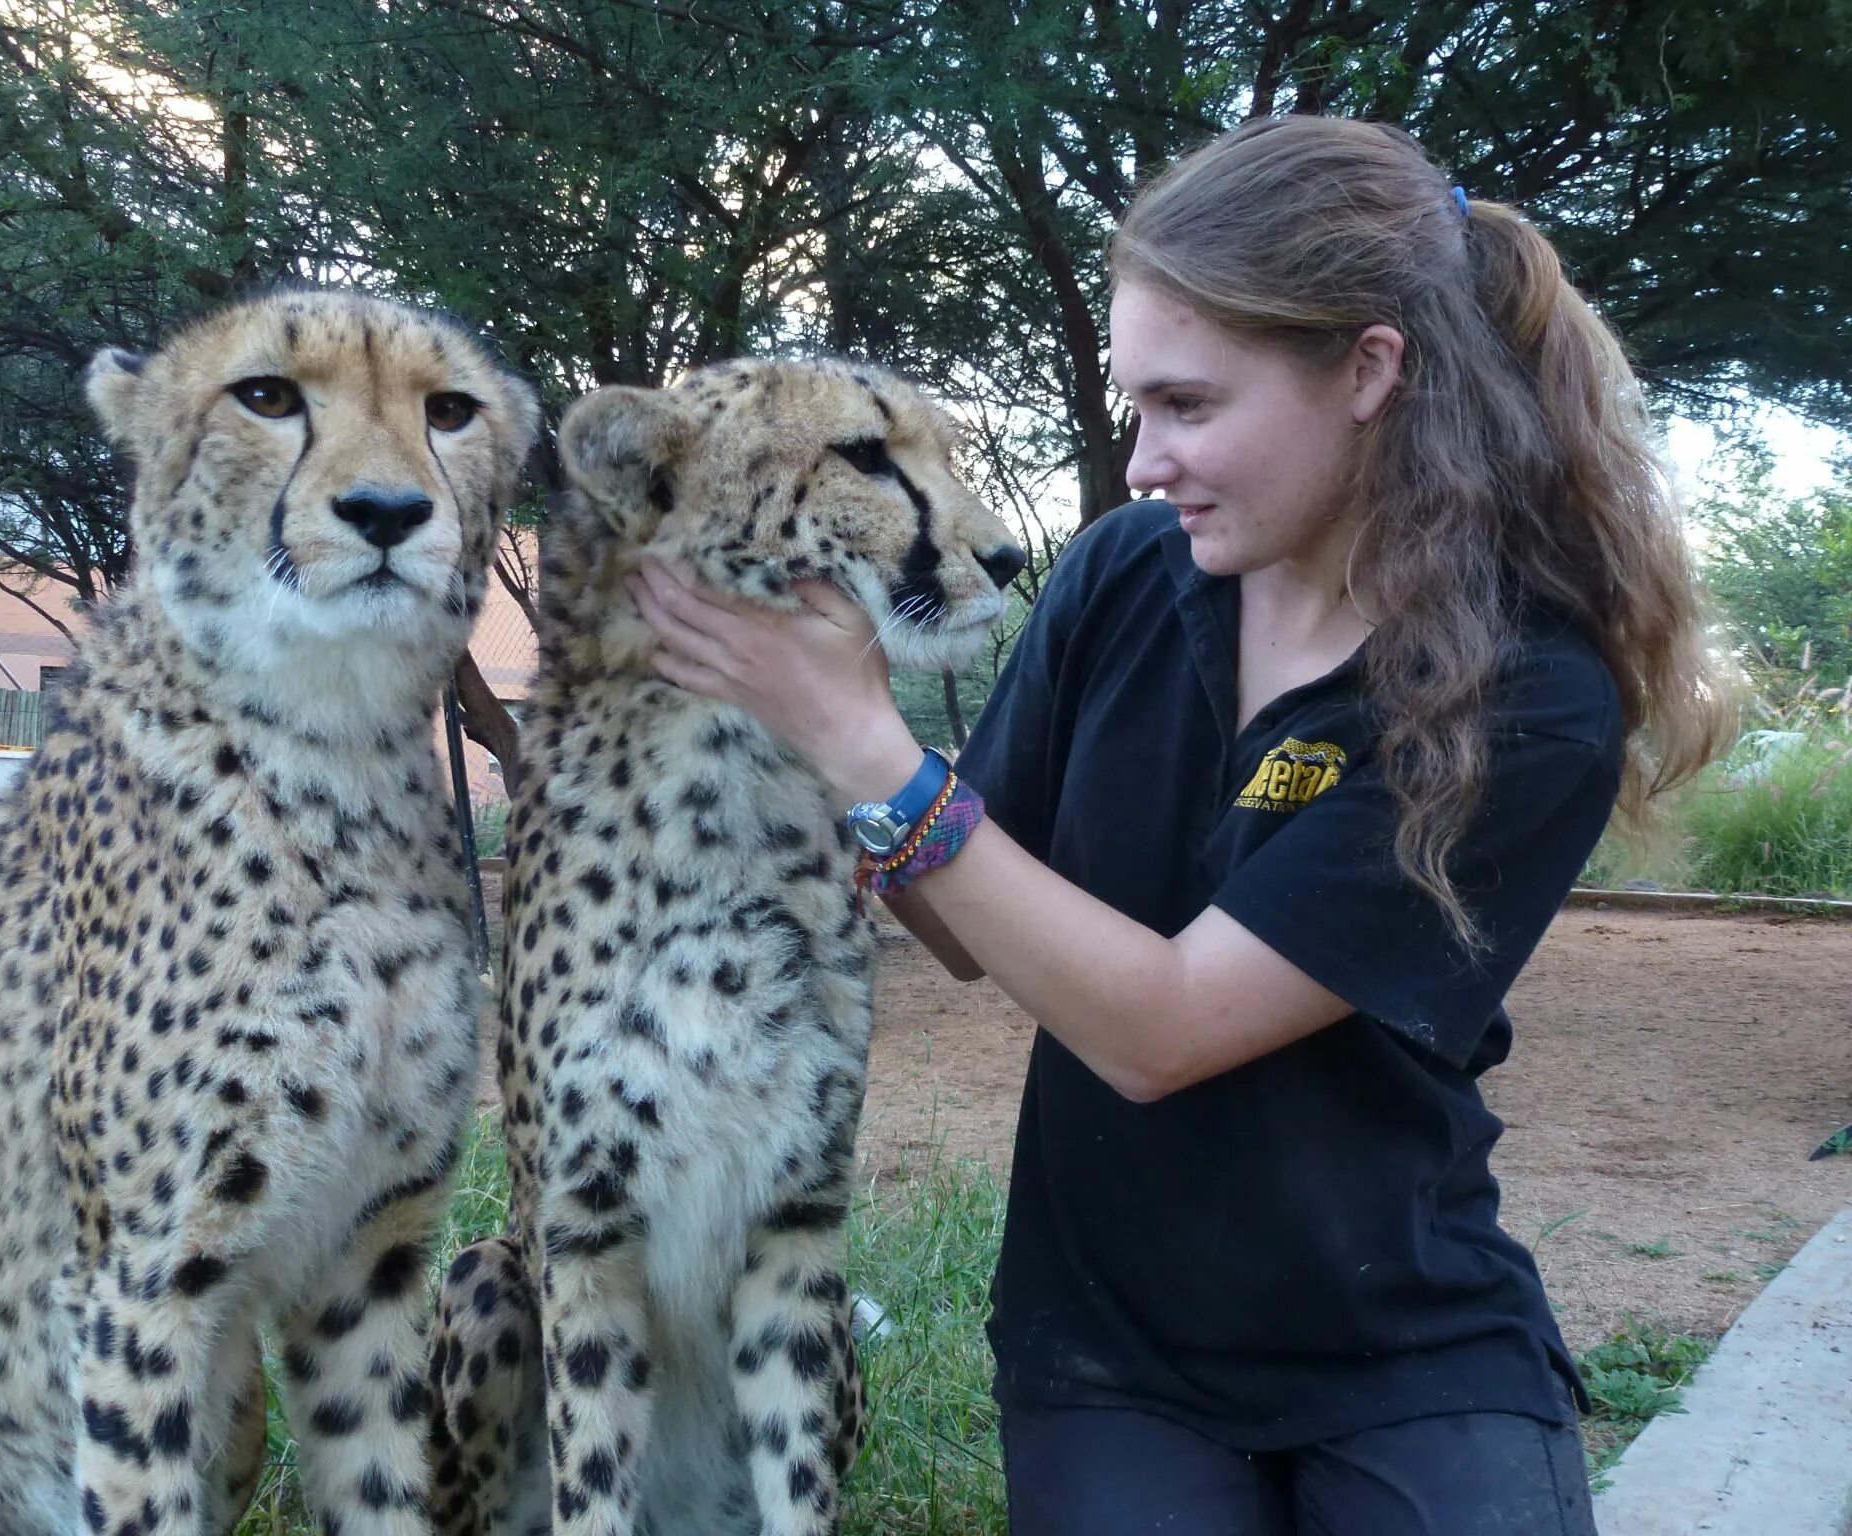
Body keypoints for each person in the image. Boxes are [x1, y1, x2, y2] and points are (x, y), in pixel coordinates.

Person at [627, 115, 1734, 1535]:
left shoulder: (1524, 691)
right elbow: (959, 909)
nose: (1144, 461)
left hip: (1398, 1339)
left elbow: (1165, 1029)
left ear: (1369, 372)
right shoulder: (1125, 575)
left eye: (1189, 406)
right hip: (1113, 1345)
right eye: (1133, 406)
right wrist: (772, 722)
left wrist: (870, 744)